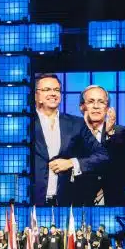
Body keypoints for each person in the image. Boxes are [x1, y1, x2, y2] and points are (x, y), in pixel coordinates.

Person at [32, 73, 109, 205]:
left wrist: (72, 163)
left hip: (65, 203)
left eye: (57, 90)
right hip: (31, 202)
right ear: (36, 95)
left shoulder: (76, 124)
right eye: (47, 89)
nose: (53, 93)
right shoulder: (24, 123)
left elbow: (102, 155)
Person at [76, 85, 125, 205]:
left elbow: (119, 166)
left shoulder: (120, 133)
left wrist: (109, 134)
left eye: (101, 102)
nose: (96, 106)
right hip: (81, 201)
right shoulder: (72, 133)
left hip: (113, 201)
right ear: (82, 107)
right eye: (91, 101)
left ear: (107, 108)